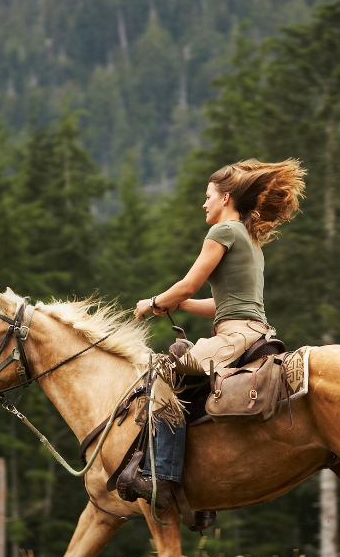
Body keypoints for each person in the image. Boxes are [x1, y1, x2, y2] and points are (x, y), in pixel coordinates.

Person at [130, 158, 306, 511]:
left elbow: (188, 283)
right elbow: (222, 304)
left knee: (161, 373)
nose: (204, 203)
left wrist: (152, 302)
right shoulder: (250, 240)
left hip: (235, 336)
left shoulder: (223, 232)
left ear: (226, 198)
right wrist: (180, 305)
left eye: (208, 195)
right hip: (254, 331)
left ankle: (161, 476)